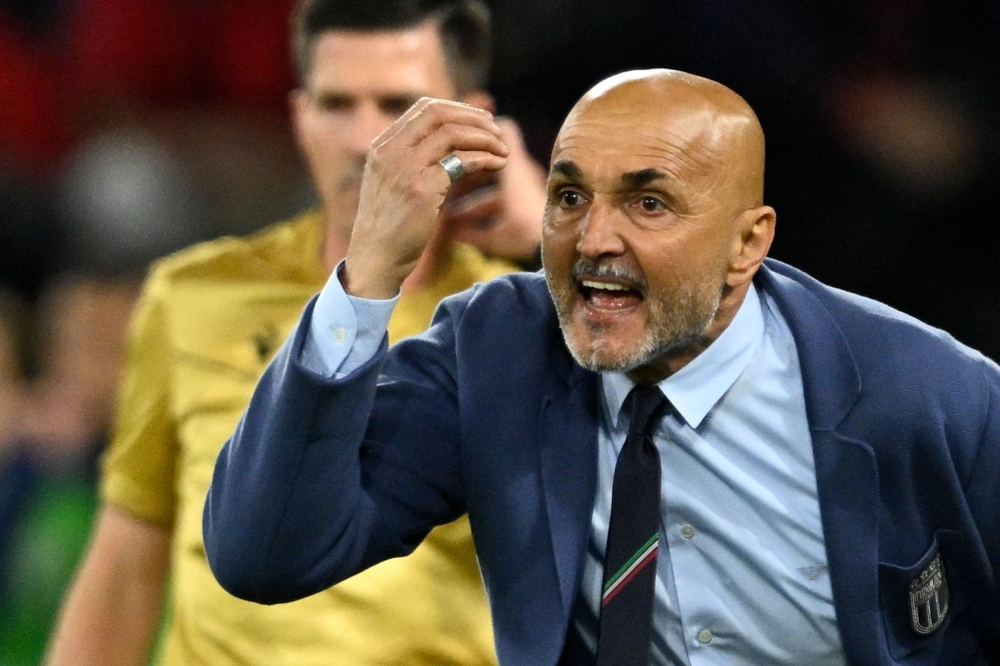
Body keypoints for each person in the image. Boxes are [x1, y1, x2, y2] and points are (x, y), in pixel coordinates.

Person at [203, 68, 1000, 665]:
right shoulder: (496, 353)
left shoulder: (932, 395)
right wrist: (368, 274)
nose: (593, 240)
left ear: (747, 242)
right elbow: (268, 553)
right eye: (569, 197)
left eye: (648, 204)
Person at [45, 0, 548, 664]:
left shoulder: (522, 319)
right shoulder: (193, 296)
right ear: (299, 116)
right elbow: (125, 565)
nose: (366, 143)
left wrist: (553, 239)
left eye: (400, 108)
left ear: (475, 122)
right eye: (336, 104)